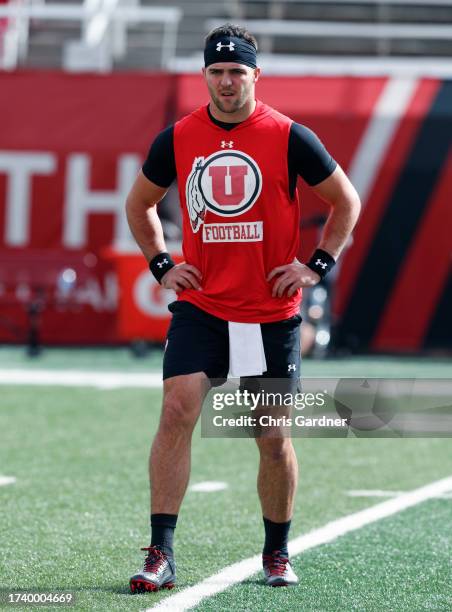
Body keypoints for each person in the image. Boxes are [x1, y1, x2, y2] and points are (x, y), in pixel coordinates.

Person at [126, 23, 361, 593]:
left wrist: (317, 265)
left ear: (256, 74)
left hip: (269, 312)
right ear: (204, 76)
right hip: (202, 307)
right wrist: (162, 264)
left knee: (271, 435)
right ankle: (161, 552)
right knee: (177, 409)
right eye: (216, 72)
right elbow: (140, 205)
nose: (227, 82)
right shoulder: (179, 137)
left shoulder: (288, 136)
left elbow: (344, 202)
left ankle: (276, 554)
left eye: (236, 72)